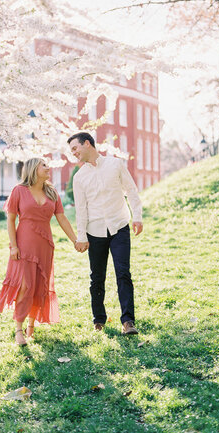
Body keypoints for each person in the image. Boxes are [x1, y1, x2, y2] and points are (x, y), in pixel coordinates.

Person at [0, 157, 77, 346]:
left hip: (44, 244)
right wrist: (13, 246)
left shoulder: (52, 192)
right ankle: (18, 330)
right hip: (24, 243)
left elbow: (62, 218)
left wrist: (75, 240)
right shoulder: (19, 191)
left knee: (40, 284)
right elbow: (10, 220)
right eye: (44, 165)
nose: (48, 168)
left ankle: (31, 326)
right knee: (25, 285)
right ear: (33, 169)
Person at [68, 132, 143, 335]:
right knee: (97, 278)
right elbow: (81, 209)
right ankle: (99, 320)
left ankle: (128, 321)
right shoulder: (79, 177)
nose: (73, 153)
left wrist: (137, 216)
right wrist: (82, 236)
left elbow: (131, 190)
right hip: (95, 232)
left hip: (119, 226)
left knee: (123, 273)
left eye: (75, 148)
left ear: (87, 144)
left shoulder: (115, 165)